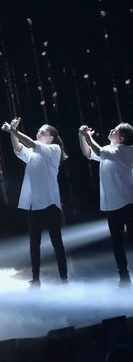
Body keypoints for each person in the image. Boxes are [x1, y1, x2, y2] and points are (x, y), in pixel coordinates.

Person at [1, 117, 68, 288]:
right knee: (34, 242)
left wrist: (13, 130)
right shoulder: (32, 153)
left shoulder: (53, 149)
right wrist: (13, 133)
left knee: (56, 241)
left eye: (43, 132)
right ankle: (35, 279)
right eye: (39, 131)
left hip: (50, 202)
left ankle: (64, 279)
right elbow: (18, 148)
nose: (39, 133)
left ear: (51, 137)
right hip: (33, 203)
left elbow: (32, 144)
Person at [78, 123, 133, 287]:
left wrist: (88, 137)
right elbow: (88, 153)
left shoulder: (126, 151)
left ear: (122, 138)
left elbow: (97, 151)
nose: (111, 130)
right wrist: (82, 137)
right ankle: (124, 277)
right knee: (117, 243)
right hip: (112, 205)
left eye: (115, 131)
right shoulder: (109, 150)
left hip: (128, 202)